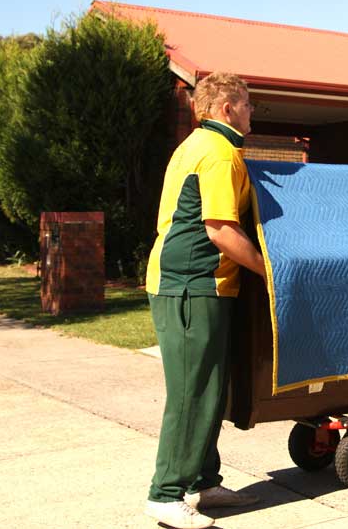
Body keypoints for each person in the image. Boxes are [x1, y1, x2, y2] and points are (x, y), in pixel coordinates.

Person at [144, 72, 266, 529]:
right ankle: (165, 495)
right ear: (227, 108)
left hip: (202, 285)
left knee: (211, 389)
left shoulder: (200, 145)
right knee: (192, 392)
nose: (252, 112)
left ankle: (203, 481)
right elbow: (220, 230)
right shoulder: (217, 153)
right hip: (190, 284)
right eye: (248, 104)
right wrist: (271, 273)